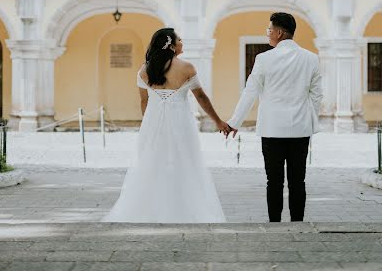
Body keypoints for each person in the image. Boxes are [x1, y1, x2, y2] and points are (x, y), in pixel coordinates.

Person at [102, 27, 228, 223]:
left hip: (153, 123)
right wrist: (218, 121)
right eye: (180, 39)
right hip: (181, 122)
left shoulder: (145, 70)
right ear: (170, 44)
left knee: (152, 163)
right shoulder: (187, 68)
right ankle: (183, 208)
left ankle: (151, 208)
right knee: (184, 162)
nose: (182, 42)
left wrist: (149, 124)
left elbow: (143, 102)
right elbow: (201, 98)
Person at [227, 12, 322, 223]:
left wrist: (234, 122)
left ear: (279, 33)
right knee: (298, 180)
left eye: (269, 30)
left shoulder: (263, 59)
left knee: (274, 181)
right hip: (300, 129)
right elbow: (316, 95)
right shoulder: (311, 58)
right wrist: (309, 120)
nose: (267, 34)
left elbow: (250, 92)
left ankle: (274, 224)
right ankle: (297, 222)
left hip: (271, 129)